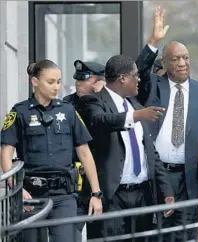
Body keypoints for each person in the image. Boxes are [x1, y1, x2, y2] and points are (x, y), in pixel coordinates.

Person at [0, 60, 102, 242]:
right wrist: (16, 187)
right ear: (35, 82)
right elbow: (6, 152)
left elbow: (84, 153)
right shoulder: (20, 112)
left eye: (59, 81)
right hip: (30, 196)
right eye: (50, 81)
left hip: (63, 195)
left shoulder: (68, 111)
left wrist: (96, 193)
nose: (56, 87)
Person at [77, 56, 175, 242]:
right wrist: (136, 116)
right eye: (135, 76)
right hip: (112, 195)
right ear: (123, 78)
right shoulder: (93, 101)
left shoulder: (135, 105)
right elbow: (100, 122)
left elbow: (150, 152)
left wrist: (166, 190)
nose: (138, 80)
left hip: (142, 195)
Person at [136, 39, 198, 240]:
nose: (182, 63)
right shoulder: (153, 86)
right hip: (156, 176)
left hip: (188, 178)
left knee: (187, 235)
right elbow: (139, 71)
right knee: (156, 236)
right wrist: (153, 42)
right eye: (175, 59)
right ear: (164, 63)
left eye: (185, 57)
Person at [63, 59, 106, 241]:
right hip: (77, 180)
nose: (78, 84)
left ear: (98, 82)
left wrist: (100, 96)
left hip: (102, 177)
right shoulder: (68, 103)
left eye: (83, 80)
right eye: (77, 80)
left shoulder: (107, 103)